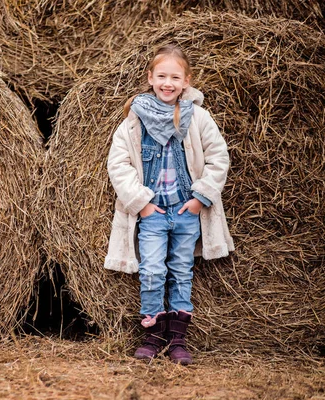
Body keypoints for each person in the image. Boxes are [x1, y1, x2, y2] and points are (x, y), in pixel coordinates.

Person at [103, 44, 234, 365]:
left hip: (186, 211)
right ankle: (152, 334)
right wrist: (141, 203)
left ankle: (177, 340)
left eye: (175, 77)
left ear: (186, 81)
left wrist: (200, 198)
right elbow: (117, 165)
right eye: (161, 76)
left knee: (181, 272)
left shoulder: (199, 118)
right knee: (150, 271)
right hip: (153, 214)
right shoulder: (133, 122)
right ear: (150, 78)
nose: (168, 83)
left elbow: (219, 157)